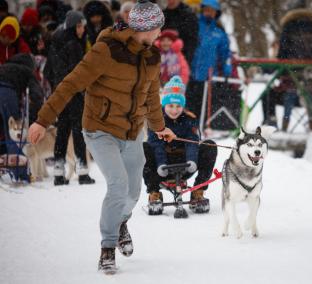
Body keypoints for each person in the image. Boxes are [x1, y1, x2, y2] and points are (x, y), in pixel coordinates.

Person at [28, 0, 175, 274]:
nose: (160, 35)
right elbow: (71, 82)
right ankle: (107, 248)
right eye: (158, 29)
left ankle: (120, 223)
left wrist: (158, 127)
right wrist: (41, 119)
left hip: (132, 131)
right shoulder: (106, 49)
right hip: (100, 129)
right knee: (118, 186)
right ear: (148, 28)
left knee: (133, 192)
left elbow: (152, 96)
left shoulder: (151, 57)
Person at [143, 75, 217, 214]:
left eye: (178, 106)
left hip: (186, 164)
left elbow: (192, 142)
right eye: (171, 106)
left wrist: (192, 161)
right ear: (164, 104)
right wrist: (161, 165)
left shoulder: (189, 119)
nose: (174, 110)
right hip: (162, 166)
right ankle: (154, 193)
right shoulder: (156, 120)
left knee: (210, 145)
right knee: (144, 148)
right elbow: (156, 144)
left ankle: (198, 190)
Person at [44, 11, 96, 186]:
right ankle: (82, 172)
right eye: (79, 26)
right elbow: (79, 73)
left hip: (60, 93)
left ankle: (58, 173)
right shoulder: (74, 44)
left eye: (83, 26)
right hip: (73, 93)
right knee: (78, 132)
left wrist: (56, 88)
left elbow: (48, 71)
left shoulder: (56, 42)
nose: (82, 29)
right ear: (74, 26)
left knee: (62, 132)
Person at [272, 0, 312, 131]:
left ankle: (285, 126)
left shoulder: (289, 24)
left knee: (290, 94)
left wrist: (280, 65)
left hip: (290, 67)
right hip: (309, 67)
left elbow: (283, 49)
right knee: (309, 94)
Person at [185, 0, 231, 118]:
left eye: (212, 10)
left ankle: (202, 130)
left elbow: (225, 53)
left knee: (204, 109)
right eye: (206, 10)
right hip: (190, 74)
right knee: (187, 108)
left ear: (216, 13)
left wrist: (227, 67)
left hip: (208, 78)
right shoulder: (194, 25)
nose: (209, 13)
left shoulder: (220, 33)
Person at [0, 54, 44, 155]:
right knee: (14, 133)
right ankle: (18, 167)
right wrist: (33, 119)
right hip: (7, 93)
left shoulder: (4, 67)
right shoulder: (27, 71)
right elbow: (37, 96)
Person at [162, 0, 198, 64]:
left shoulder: (189, 15)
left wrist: (184, 61)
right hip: (162, 60)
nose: (171, 1)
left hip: (182, 60)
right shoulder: (162, 14)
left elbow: (192, 41)